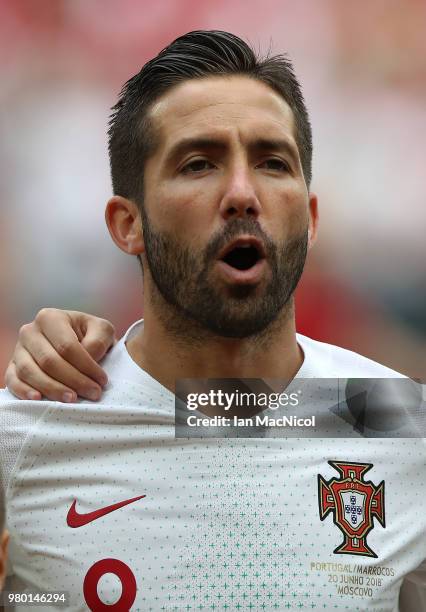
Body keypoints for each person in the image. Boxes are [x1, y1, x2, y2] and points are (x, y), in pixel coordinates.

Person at [1, 30, 425, 611]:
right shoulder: (27, 435)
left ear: (310, 217)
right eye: (199, 164)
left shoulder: (403, 427)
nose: (243, 193)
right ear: (128, 224)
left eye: (273, 163)